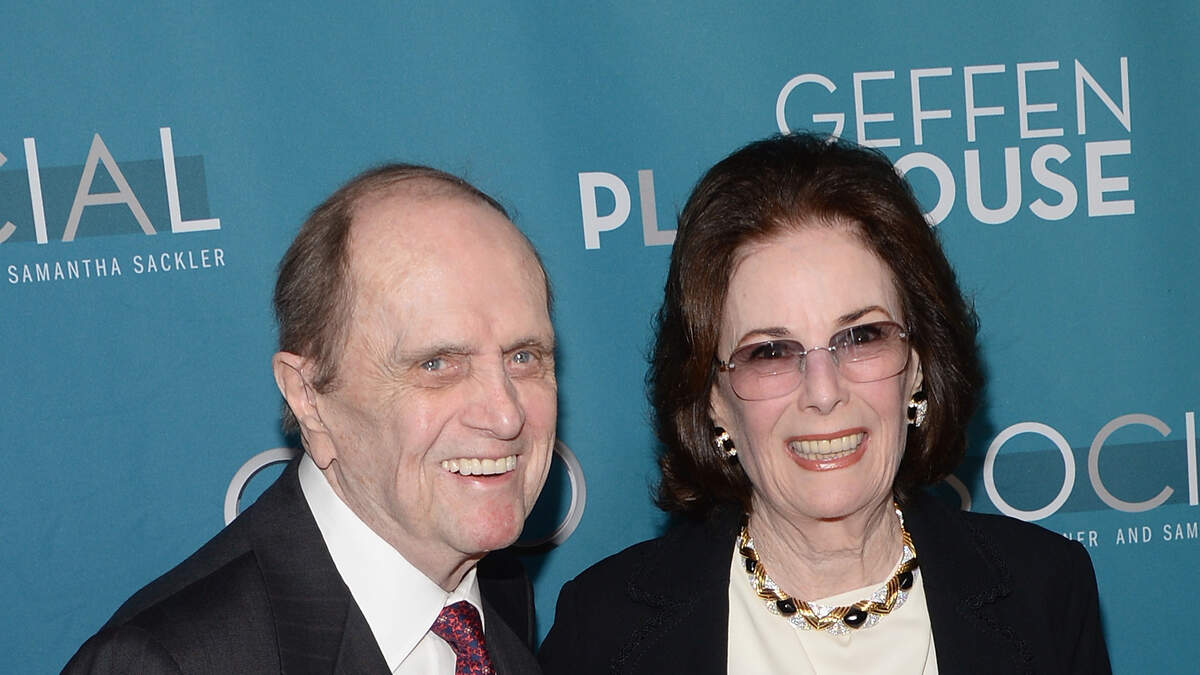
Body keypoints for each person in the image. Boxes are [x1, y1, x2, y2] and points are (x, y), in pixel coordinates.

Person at [539, 133, 1111, 674]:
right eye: (769, 352)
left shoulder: (1045, 593)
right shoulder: (603, 631)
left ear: (917, 365)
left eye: (861, 337)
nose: (823, 391)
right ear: (713, 398)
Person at [66, 164, 555, 674]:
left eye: (524, 357)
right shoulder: (169, 662)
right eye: (436, 365)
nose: (506, 416)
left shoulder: (498, 597)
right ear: (308, 398)